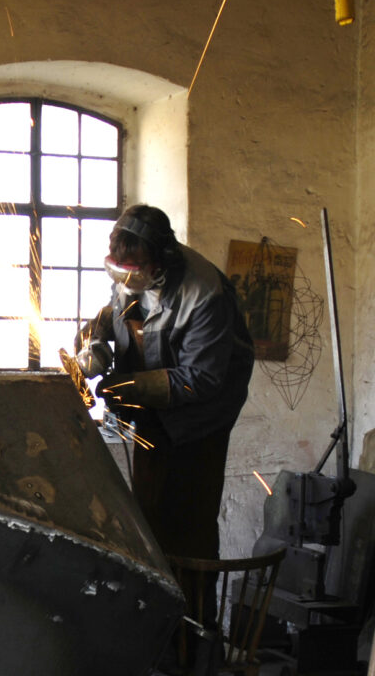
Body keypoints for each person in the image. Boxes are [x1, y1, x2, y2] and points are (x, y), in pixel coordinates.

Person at [76, 204, 254, 562]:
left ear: (160, 263)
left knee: (187, 525)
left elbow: (202, 378)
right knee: (148, 517)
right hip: (154, 414)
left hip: (198, 426)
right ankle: (155, 588)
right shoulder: (133, 271)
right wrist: (92, 343)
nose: (125, 282)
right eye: (118, 273)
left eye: (133, 274)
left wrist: (127, 387)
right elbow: (116, 313)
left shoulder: (204, 294)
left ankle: (192, 597)